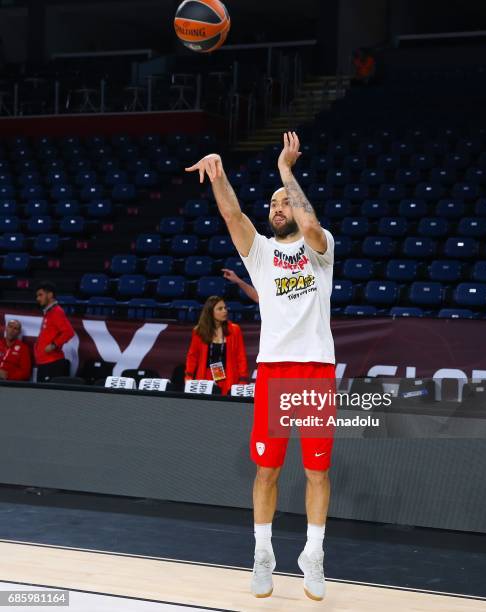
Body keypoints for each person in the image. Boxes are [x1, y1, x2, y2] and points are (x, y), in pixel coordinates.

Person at [186, 132, 335, 601]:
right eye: (272, 202)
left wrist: (286, 172)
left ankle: (313, 555)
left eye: (283, 201)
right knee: (267, 471)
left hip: (314, 372)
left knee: (316, 472)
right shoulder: (262, 255)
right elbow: (233, 214)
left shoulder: (320, 247)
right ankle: (263, 554)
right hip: (274, 373)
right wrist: (219, 172)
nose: (277, 207)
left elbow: (311, 226)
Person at [184, 295, 249, 396]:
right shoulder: (199, 331)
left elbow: (241, 357)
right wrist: (188, 376)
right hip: (205, 376)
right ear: (210, 312)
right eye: (220, 309)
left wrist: (243, 379)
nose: (225, 311)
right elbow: (192, 356)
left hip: (229, 377)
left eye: (225, 308)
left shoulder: (235, 330)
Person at [34, 281, 75, 383]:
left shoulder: (56, 311)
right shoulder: (49, 312)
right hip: (44, 363)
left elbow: (69, 332)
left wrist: (53, 345)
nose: (38, 299)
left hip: (52, 364)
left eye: (40, 295)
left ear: (50, 295)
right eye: (37, 296)